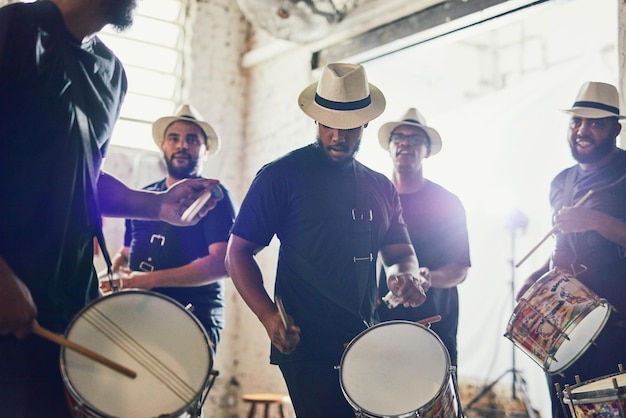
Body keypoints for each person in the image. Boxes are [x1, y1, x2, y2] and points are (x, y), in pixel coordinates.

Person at [0, 2, 220, 417]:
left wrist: (156, 205)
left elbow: (84, 178)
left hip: (70, 302)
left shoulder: (111, 73)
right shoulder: (14, 29)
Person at [225, 62, 429, 418]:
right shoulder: (281, 176)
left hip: (367, 337)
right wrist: (268, 315)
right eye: (329, 124)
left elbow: (400, 252)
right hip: (306, 343)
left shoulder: (381, 186)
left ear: (365, 123)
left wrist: (407, 274)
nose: (338, 135)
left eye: (349, 126)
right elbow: (238, 253)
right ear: (316, 120)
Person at [516, 81, 626, 418]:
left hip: (617, 328)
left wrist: (594, 220)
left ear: (616, 129)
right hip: (567, 329)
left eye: (595, 123)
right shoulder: (561, 181)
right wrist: (539, 280)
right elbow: (563, 245)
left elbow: (585, 226)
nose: (583, 130)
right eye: (576, 121)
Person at [102, 104, 236, 352]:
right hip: (140, 315)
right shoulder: (145, 196)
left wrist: (145, 280)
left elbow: (222, 263)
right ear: (163, 146)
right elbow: (128, 253)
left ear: (205, 150)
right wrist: (114, 273)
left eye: (192, 140)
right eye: (173, 138)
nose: (181, 145)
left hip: (192, 319)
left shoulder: (214, 197)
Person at [376, 107, 471, 368]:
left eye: (415, 139)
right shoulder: (375, 199)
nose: (405, 143)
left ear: (427, 151)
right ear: (390, 147)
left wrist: (431, 278)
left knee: (437, 407)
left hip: (434, 326)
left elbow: (460, 269)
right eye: (399, 137)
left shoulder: (447, 203)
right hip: (381, 325)